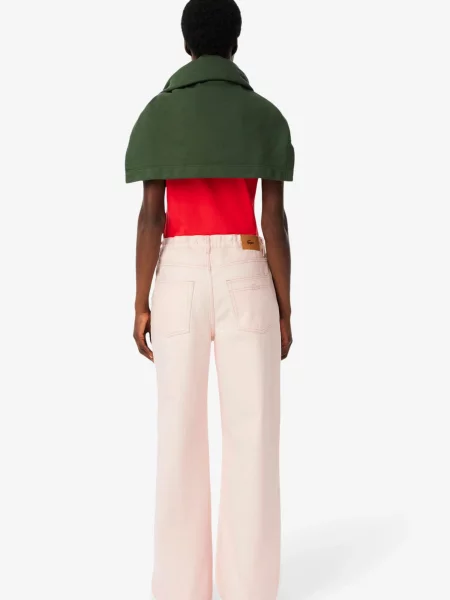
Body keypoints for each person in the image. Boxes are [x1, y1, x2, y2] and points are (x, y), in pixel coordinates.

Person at [125, 1, 294, 598]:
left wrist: (140, 301)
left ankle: (179, 589)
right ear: (235, 43)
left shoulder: (158, 113)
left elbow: (151, 217)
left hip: (178, 275)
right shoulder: (263, 114)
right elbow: (273, 220)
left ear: (187, 44)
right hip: (248, 270)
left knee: (177, 436)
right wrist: (285, 305)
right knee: (253, 438)